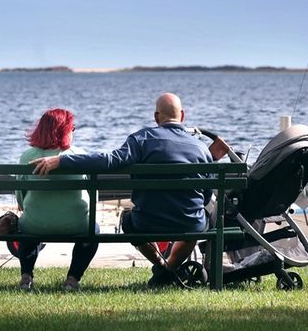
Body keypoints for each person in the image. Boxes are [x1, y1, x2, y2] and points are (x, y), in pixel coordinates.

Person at [31, 93, 227, 287]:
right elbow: (206, 196)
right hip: (189, 223)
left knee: (127, 220)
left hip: (146, 223)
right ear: (182, 116)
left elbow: (109, 160)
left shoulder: (141, 139)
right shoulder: (201, 148)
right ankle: (168, 269)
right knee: (197, 222)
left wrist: (62, 160)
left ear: (156, 117)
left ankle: (161, 267)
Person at [16, 108, 98, 291]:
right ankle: (72, 279)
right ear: (66, 130)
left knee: (26, 225)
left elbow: (20, 197)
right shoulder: (81, 156)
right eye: (72, 128)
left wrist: (28, 209)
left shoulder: (27, 157)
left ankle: (26, 276)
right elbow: (94, 198)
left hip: (34, 225)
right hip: (78, 226)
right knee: (94, 230)